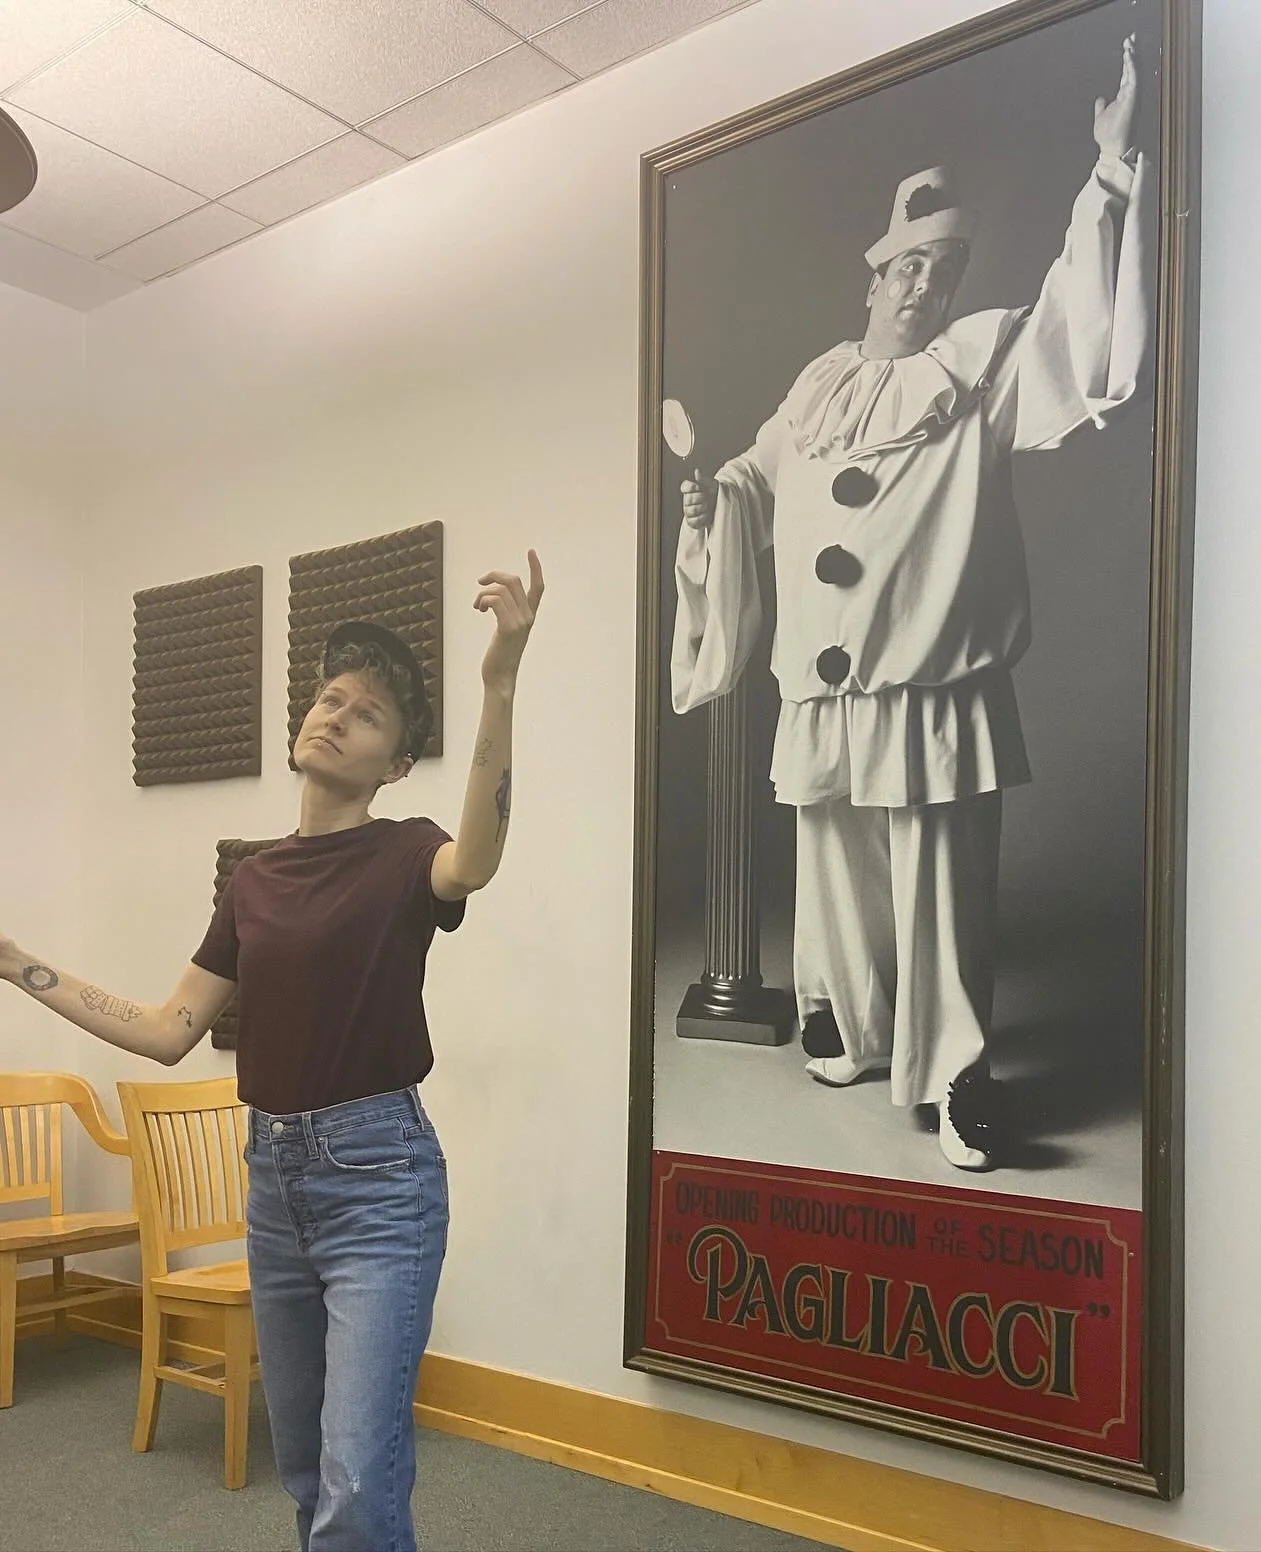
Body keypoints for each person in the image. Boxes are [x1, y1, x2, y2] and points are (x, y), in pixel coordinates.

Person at [0, 552, 544, 1552]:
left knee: (356, 1475)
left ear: (392, 765)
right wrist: (17, 963)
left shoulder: (407, 850)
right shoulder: (252, 880)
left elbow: (480, 855)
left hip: (381, 1181)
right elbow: (169, 1029)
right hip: (274, 1182)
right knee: (306, 1469)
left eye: (367, 713)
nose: (335, 713)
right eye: (330, 697)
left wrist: (500, 677)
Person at [671, 38, 1149, 1171]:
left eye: (943, 271)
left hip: (930, 672)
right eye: (908, 270)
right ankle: (846, 1023)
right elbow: (759, 473)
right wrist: (714, 500)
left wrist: (1110, 168)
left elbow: (1074, 331)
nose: (924, 286)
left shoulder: (979, 363)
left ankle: (955, 1075)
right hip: (825, 687)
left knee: (940, 882)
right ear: (875, 274)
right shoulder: (816, 382)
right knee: (835, 868)